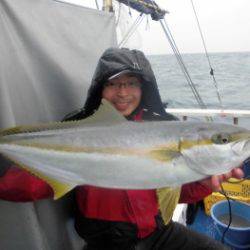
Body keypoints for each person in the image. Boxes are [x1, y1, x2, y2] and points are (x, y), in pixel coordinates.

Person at [0, 48, 244, 249]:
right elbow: (30, 186)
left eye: (131, 83)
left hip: (157, 235)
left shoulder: (160, 127)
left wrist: (203, 183)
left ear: (143, 88)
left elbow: (174, 190)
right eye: (113, 84)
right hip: (104, 244)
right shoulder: (77, 132)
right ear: (100, 90)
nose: (123, 93)